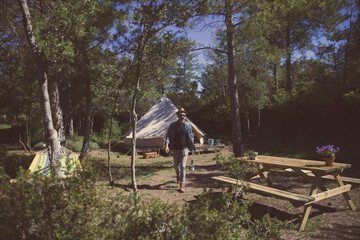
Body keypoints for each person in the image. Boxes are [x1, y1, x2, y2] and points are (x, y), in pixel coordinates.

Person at [165, 108, 196, 193]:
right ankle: (178, 175)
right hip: (175, 148)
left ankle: (182, 185)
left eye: (184, 115)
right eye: (181, 115)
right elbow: (168, 136)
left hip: (184, 148)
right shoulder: (173, 125)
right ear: (177, 115)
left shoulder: (188, 125)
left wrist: (192, 147)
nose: (182, 116)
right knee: (176, 165)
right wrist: (167, 145)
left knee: (183, 166)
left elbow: (191, 136)